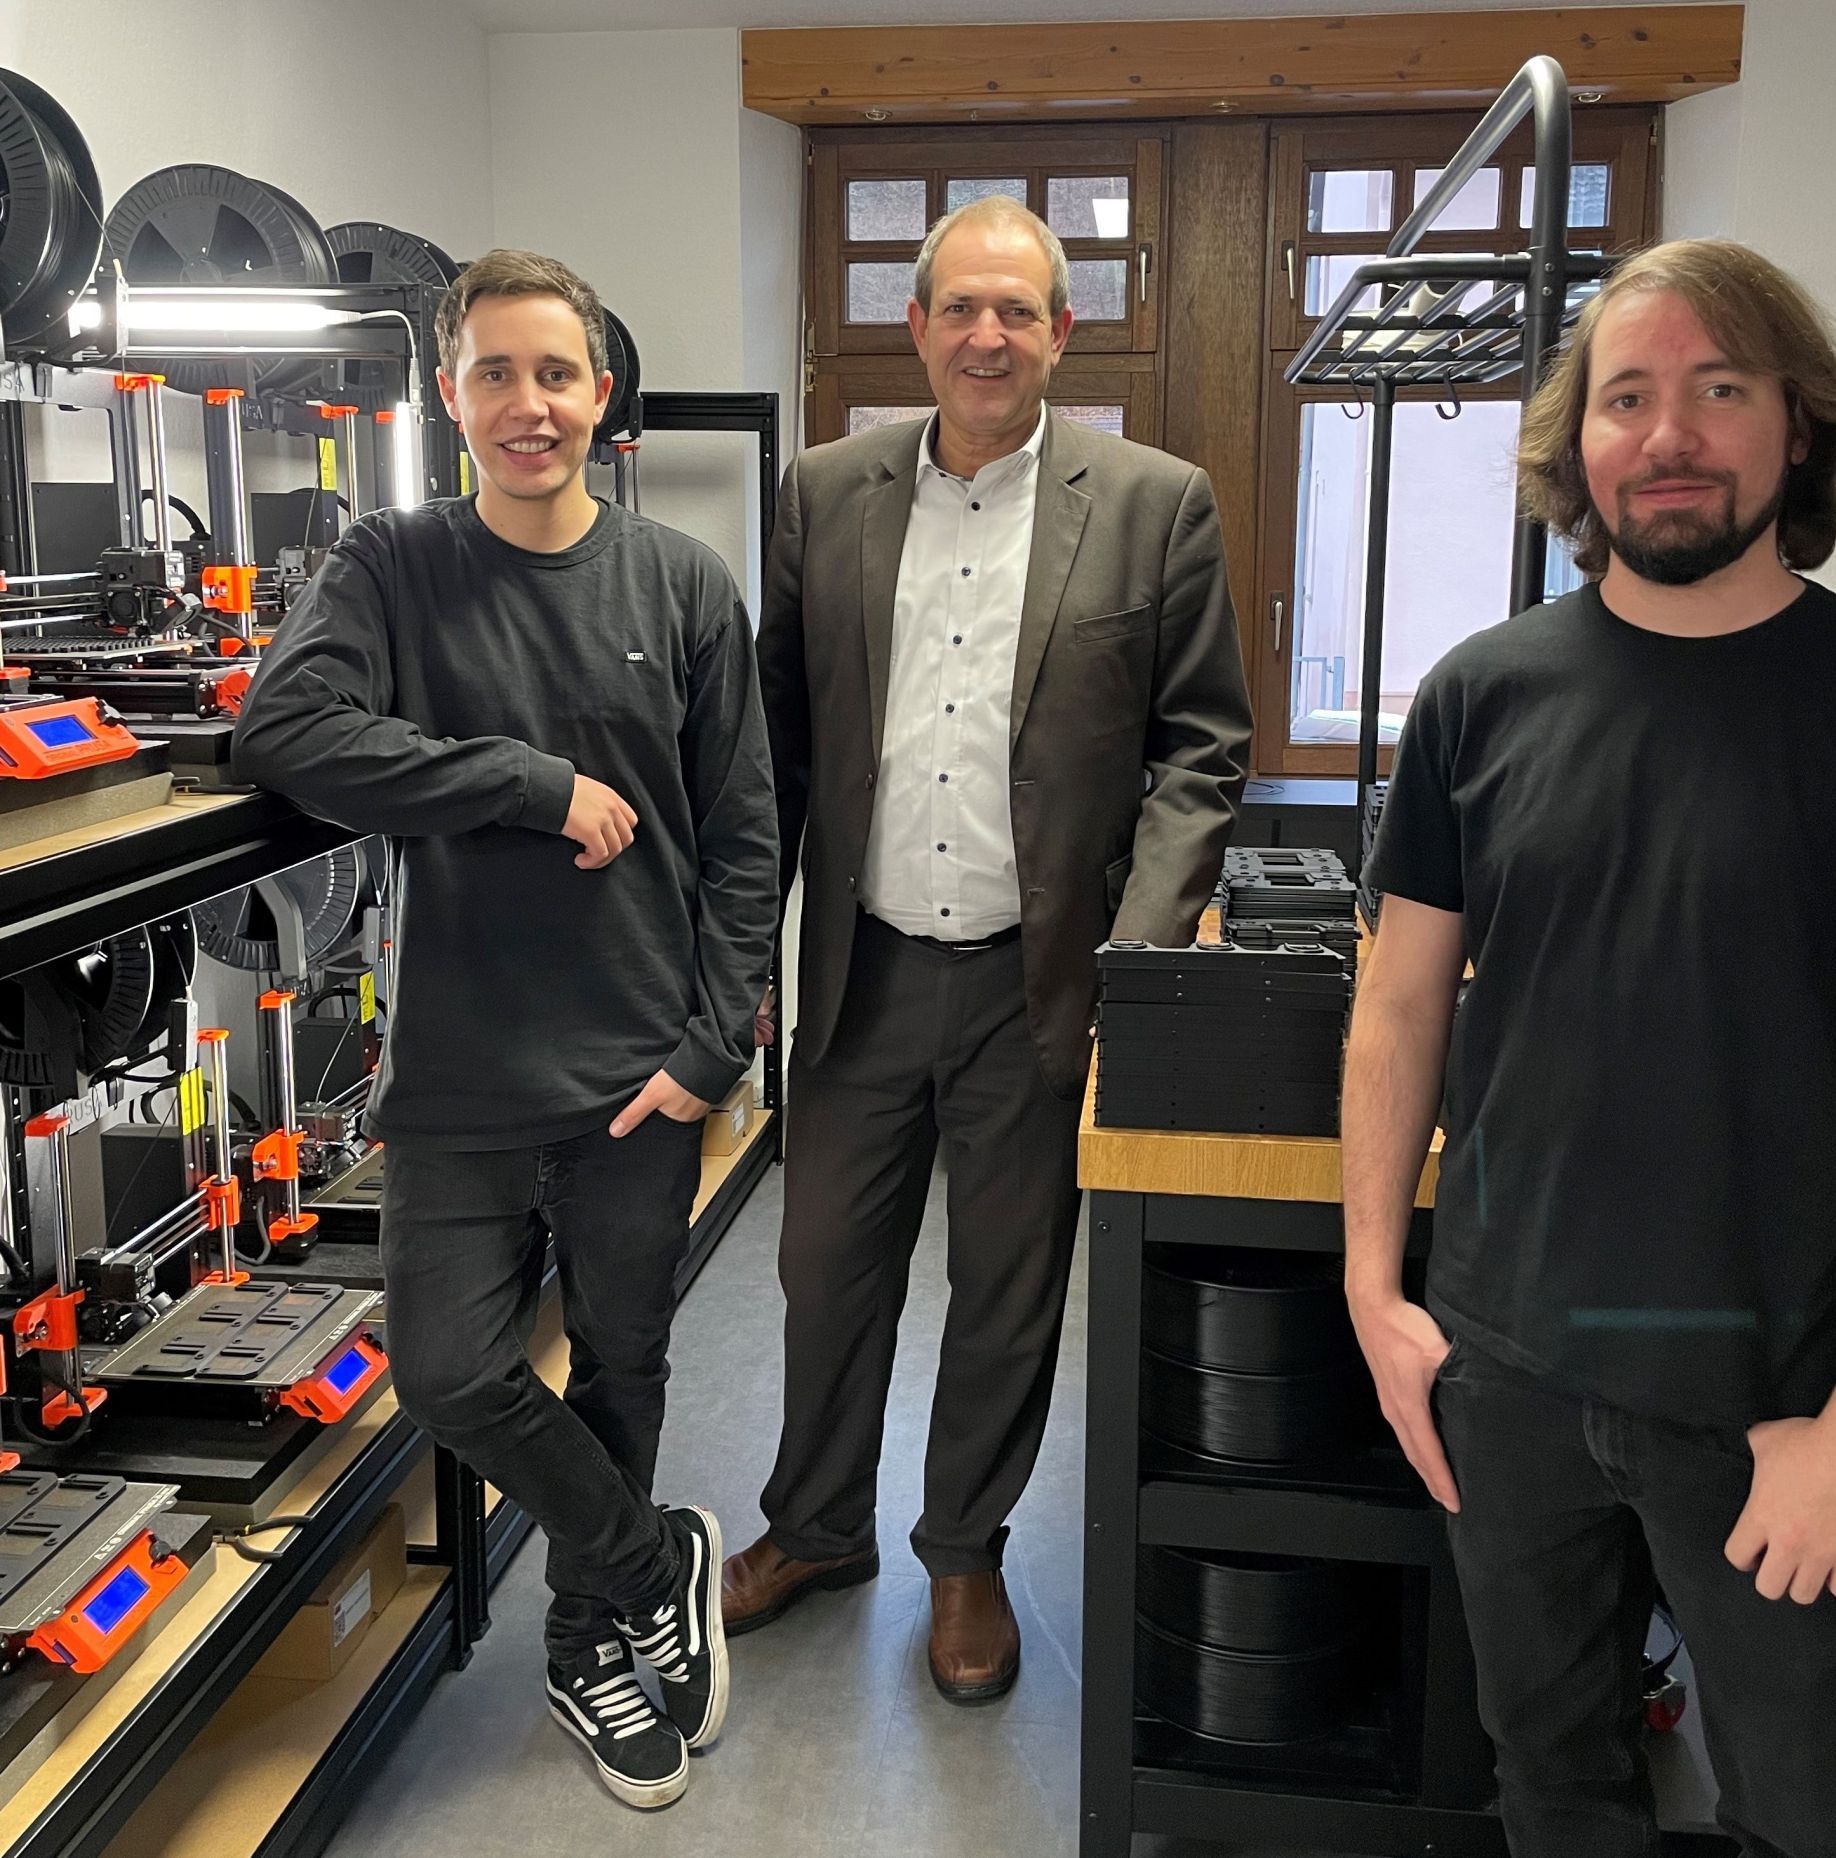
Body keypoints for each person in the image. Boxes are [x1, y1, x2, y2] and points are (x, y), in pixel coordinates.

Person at [1344, 238, 1836, 1855]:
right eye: (1630, 396)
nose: (1670, 434)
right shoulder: (1479, 696)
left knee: (1806, 1812)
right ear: (1577, 443)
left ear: (1795, 428)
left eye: (1719, 389)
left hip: (1778, 1400)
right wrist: (1376, 1293)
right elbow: (1400, 1004)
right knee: (1554, 1788)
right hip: (1509, 1373)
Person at [231, 249, 779, 1811]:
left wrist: (709, 1052)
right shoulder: (392, 566)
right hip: (461, 1073)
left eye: (556, 373)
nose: (526, 405)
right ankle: (646, 1547)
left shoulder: (681, 583)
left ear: (603, 394)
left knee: (626, 1361)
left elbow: (746, 835)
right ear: (449, 394)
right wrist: (523, 783)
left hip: (638, 1071)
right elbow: (287, 727)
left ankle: (589, 1640)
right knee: (448, 1365)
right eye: (493, 373)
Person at [731, 196, 1253, 1701]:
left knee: (1010, 1287)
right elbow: (776, 740)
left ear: (1060, 333)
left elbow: (1202, 748)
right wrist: (749, 942)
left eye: (1018, 311)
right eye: (961, 307)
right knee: (827, 1271)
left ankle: (964, 1548)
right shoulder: (825, 492)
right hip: (863, 969)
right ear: (916, 327)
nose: (987, 336)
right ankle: (817, 1525)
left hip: (1047, 976)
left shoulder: (1156, 501)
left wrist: (1135, 956)